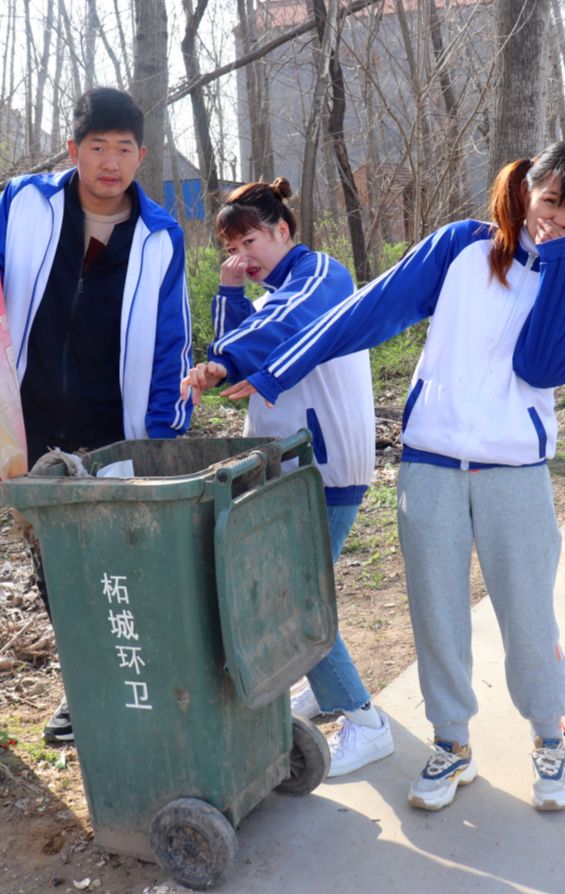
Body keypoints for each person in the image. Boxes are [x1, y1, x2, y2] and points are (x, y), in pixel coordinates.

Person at [222, 141, 565, 812]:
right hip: (430, 465)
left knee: (527, 615)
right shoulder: (461, 248)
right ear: (524, 192)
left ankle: (547, 736)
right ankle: (451, 744)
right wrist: (269, 369)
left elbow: (540, 367)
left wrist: (561, 262)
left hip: (515, 474)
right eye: (551, 202)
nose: (560, 219)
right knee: (436, 614)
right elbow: (368, 309)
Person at [0, 86, 194, 744]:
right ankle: (83, 688)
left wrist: (161, 436)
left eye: (124, 148)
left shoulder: (159, 236)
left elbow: (170, 343)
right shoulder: (25, 205)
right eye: (98, 147)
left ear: (141, 156)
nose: (110, 162)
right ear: (74, 150)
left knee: (123, 561)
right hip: (30, 428)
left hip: (111, 431)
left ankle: (144, 682)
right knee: (54, 566)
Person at [180, 178, 395, 778]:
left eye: (251, 240)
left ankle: (363, 721)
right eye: (232, 246)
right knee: (293, 593)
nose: (244, 256)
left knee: (292, 601)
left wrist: (225, 359)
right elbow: (238, 345)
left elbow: (267, 334)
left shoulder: (321, 275)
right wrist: (227, 291)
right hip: (291, 466)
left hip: (323, 467)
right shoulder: (275, 292)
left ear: (283, 230)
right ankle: (330, 692)